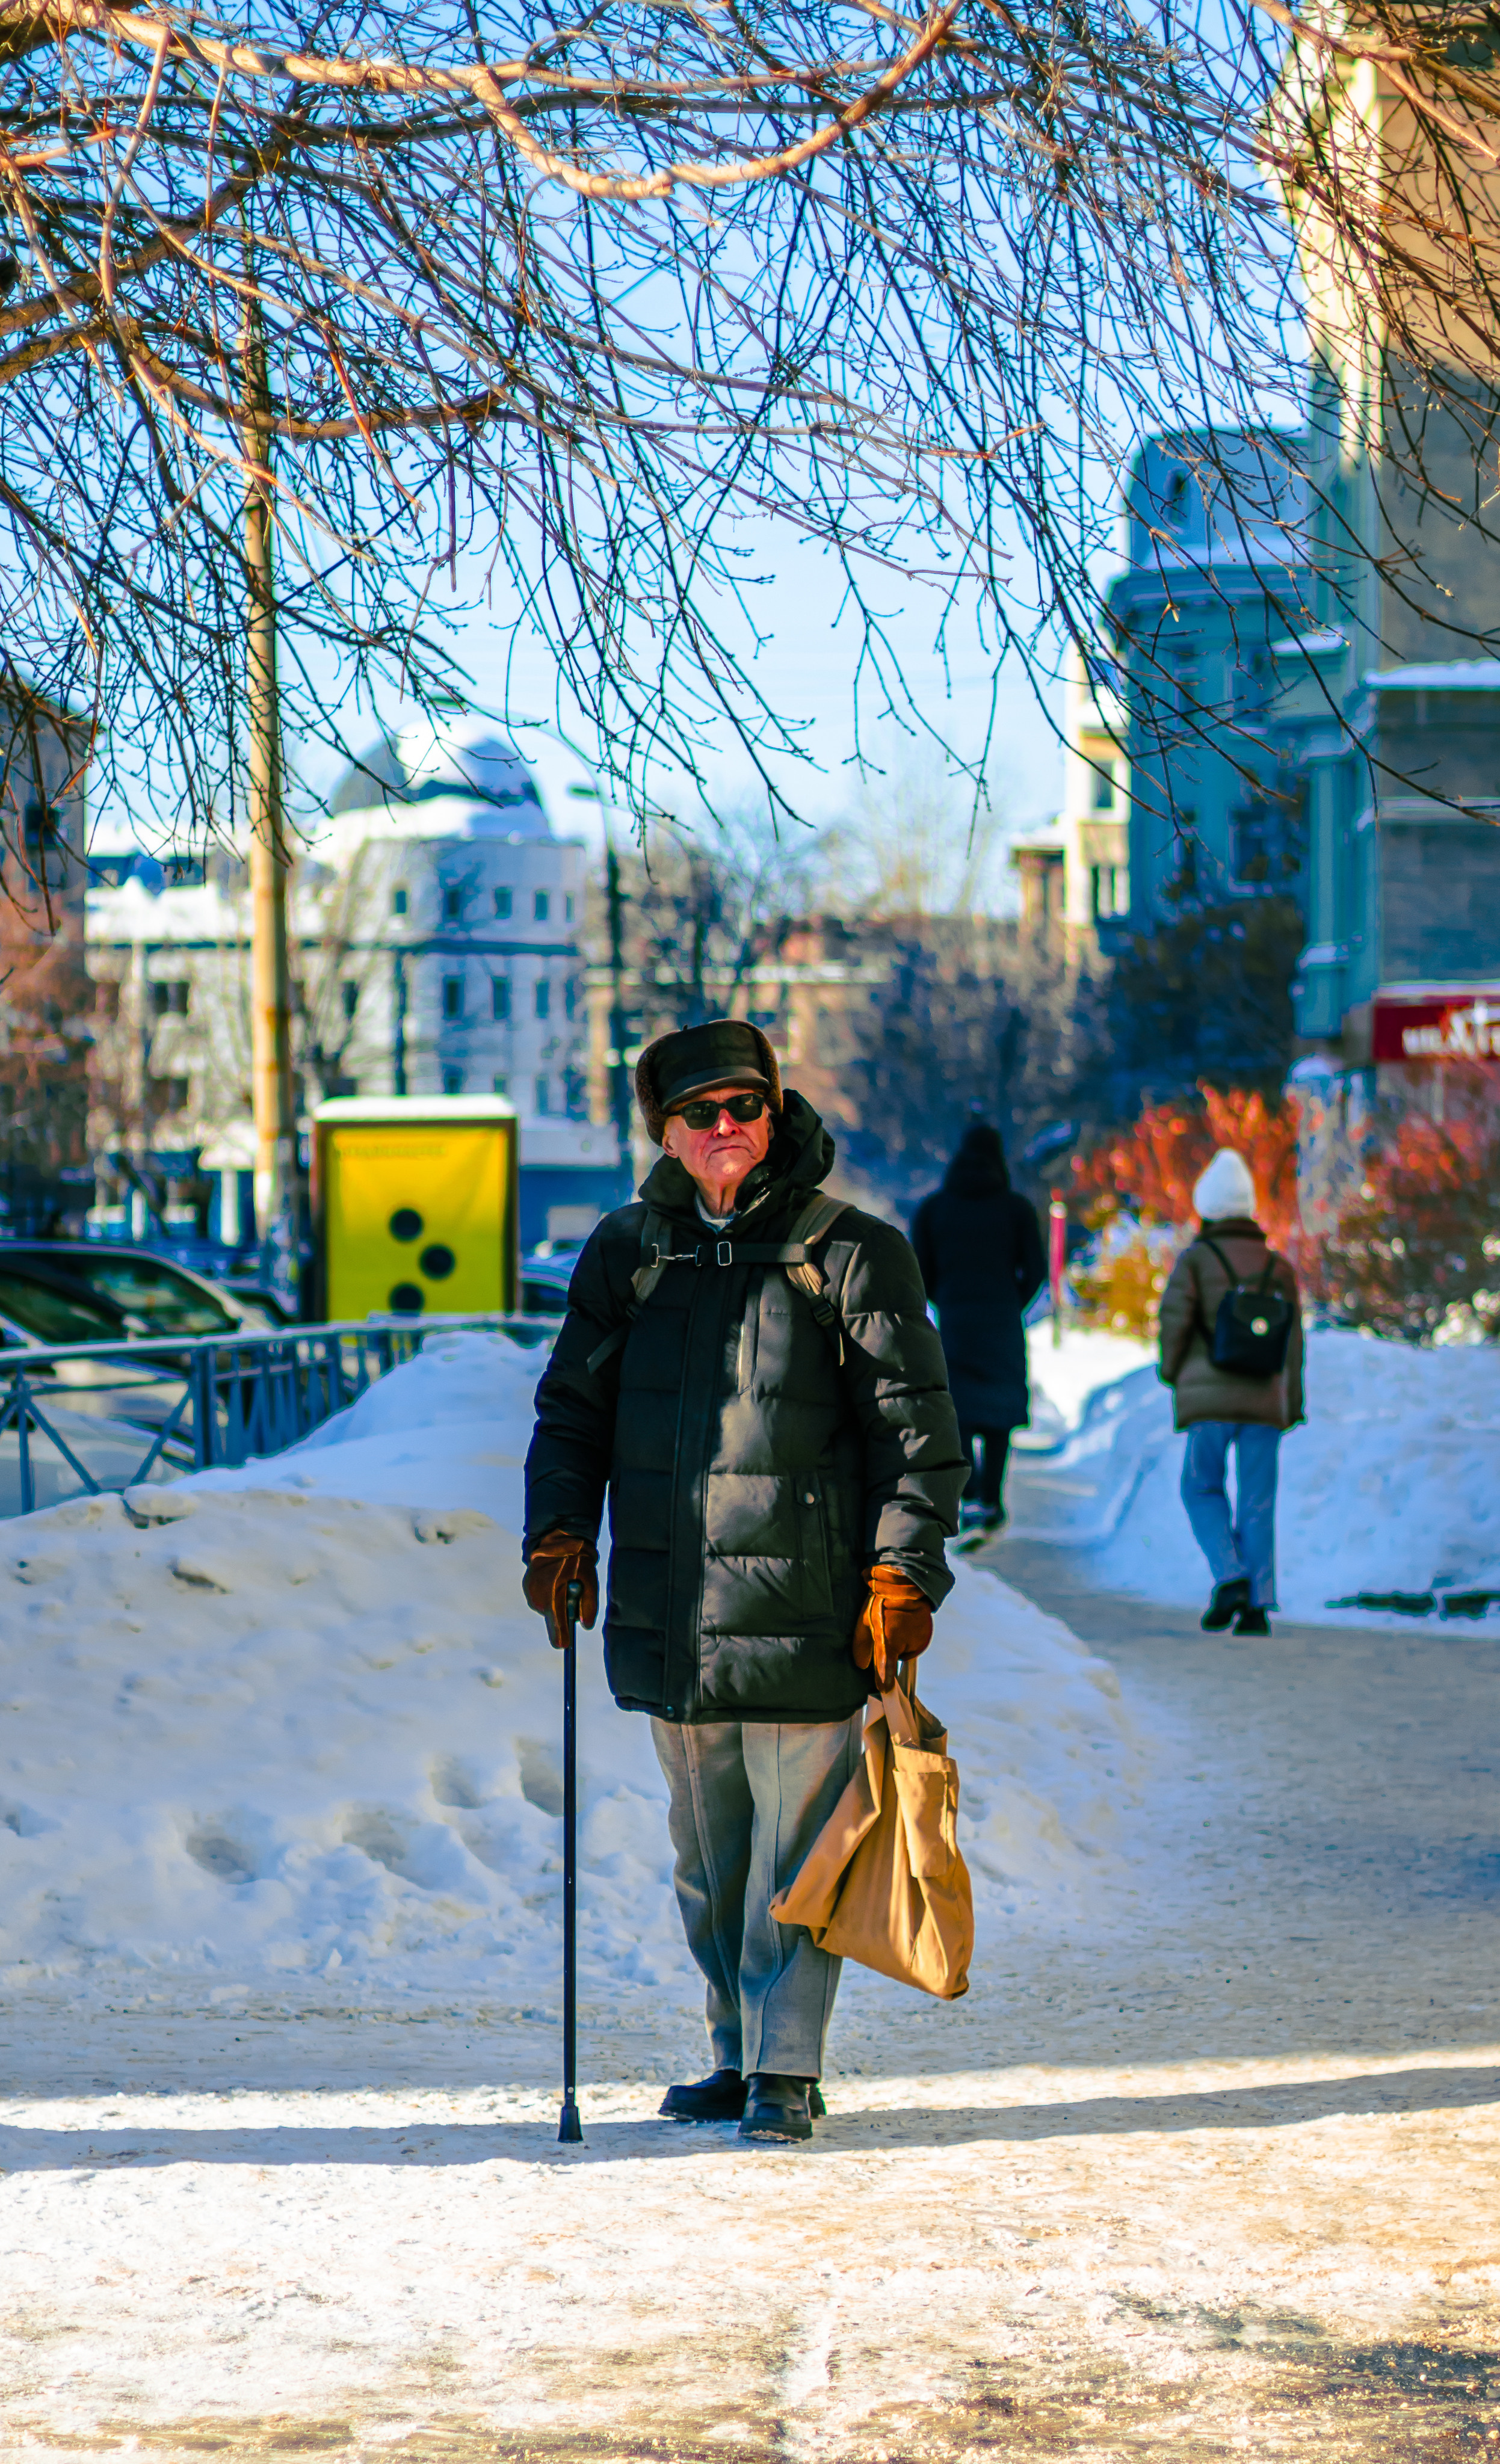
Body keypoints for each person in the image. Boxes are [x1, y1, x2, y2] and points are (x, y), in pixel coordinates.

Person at [522, 1020, 966, 2143]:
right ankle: (734, 2049)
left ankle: (785, 2065)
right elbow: (571, 1409)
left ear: (774, 1112)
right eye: (701, 1113)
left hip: (805, 1610)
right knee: (708, 1863)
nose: (727, 1129)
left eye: (746, 1107)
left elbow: (915, 1437)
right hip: (672, 1614)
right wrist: (557, 1532)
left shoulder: (852, 1251)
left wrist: (901, 1571)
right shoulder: (628, 1253)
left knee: (793, 1856)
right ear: (663, 1132)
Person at [1156, 1147, 1304, 1636]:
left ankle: (1229, 1575)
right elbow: (1292, 1345)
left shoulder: (1197, 1260)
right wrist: (1292, 1403)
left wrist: (1173, 1370)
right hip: (1263, 1399)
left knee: (1200, 1486)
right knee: (1258, 1499)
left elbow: (1174, 1321)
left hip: (1211, 1399)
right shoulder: (1278, 1267)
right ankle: (1257, 1607)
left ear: (1206, 1206)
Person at [911, 1123, 1045, 1541]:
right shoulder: (1016, 1208)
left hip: (955, 1322)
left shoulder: (935, 1209)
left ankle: (969, 1495)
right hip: (1002, 1320)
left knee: (960, 1411)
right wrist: (1011, 1302)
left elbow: (919, 1270)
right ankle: (992, 1498)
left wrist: (944, 1302)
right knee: (999, 1413)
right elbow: (1036, 1270)